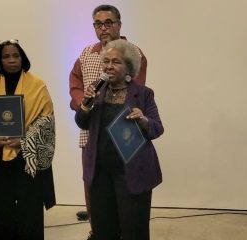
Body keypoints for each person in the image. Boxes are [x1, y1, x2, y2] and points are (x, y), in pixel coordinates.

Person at [69, 4, 147, 238]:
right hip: (91, 128)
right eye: (98, 24)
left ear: (119, 24)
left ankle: (126, 229)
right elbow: (75, 83)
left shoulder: (133, 53)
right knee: (93, 182)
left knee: (125, 184)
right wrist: (84, 103)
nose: (103, 28)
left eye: (108, 22)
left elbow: (138, 92)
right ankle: (98, 228)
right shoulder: (86, 53)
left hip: (123, 130)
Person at [75, 39, 163, 240]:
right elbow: (81, 122)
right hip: (100, 173)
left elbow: (157, 128)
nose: (109, 66)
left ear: (128, 67)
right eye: (106, 61)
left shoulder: (143, 94)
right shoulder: (96, 92)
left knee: (134, 229)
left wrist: (143, 119)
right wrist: (86, 105)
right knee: (104, 229)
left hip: (131, 173)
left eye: (115, 62)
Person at [0, 39, 56, 240]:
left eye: (16, 55)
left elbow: (47, 122)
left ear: (23, 58)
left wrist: (23, 141)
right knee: (0, 212)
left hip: (27, 161)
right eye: (6, 56)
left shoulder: (37, 85)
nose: (12, 60)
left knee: (30, 213)